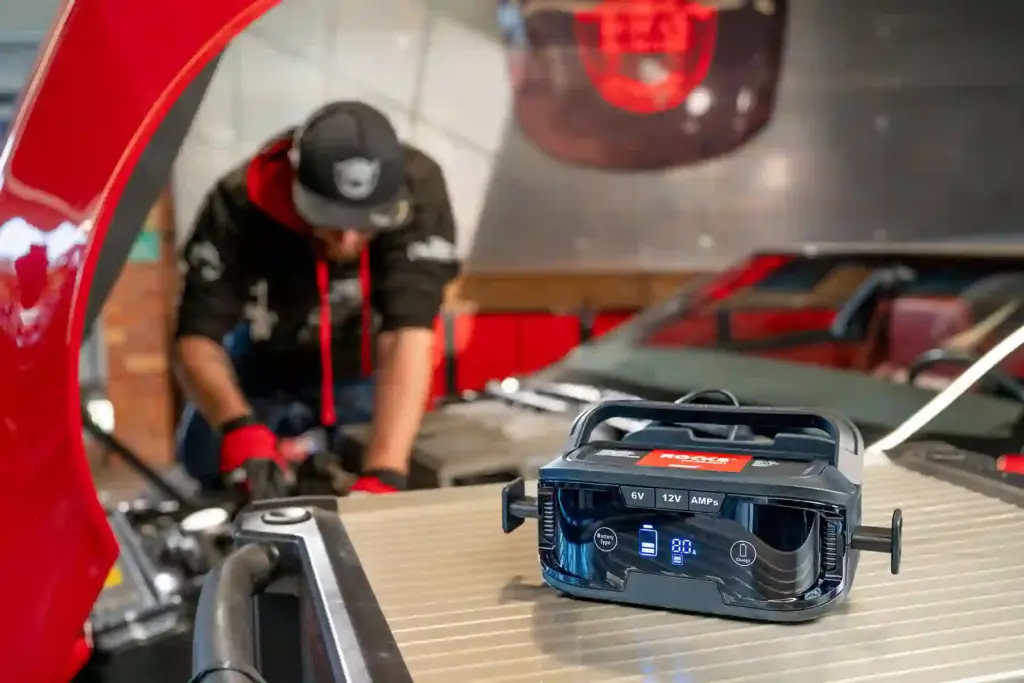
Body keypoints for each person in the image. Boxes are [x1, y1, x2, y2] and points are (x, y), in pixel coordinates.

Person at [174, 101, 459, 495]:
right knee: (202, 458)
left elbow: (407, 334)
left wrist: (386, 472)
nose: (348, 239)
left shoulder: (419, 188)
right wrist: (238, 426)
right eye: (330, 220)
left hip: (359, 367)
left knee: (398, 462)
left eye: (366, 224)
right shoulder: (239, 200)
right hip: (260, 366)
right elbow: (196, 336)